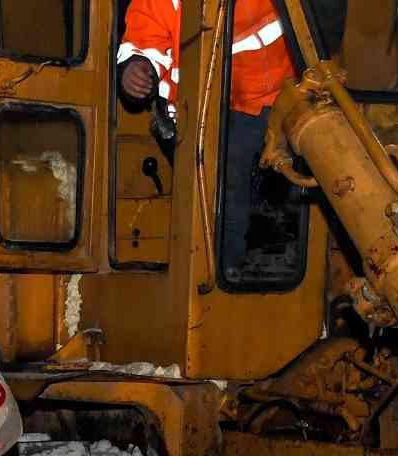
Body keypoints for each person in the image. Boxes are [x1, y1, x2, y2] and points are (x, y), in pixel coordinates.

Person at [116, 0, 297, 279]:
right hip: (209, 112)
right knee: (222, 195)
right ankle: (227, 274)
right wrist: (135, 69)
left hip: (281, 94)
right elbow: (144, 40)